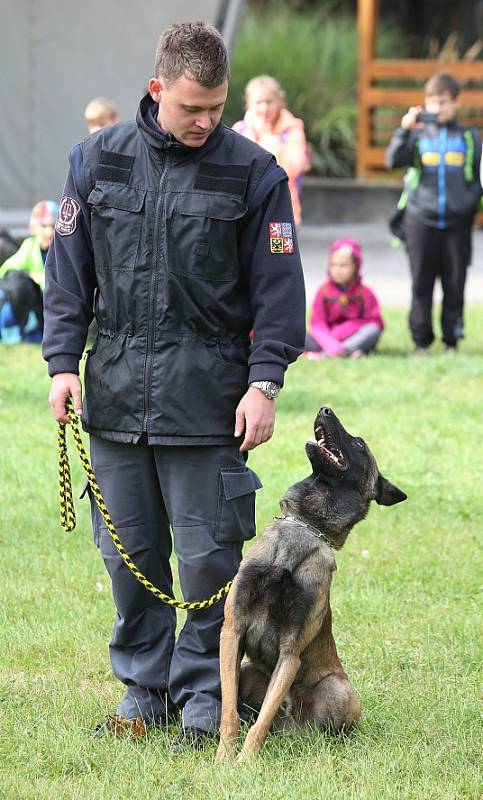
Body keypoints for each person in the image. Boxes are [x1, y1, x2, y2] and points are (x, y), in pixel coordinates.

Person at [43, 22, 305, 750]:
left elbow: (280, 292)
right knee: (128, 558)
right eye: (193, 107)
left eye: (217, 108)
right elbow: (66, 277)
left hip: (210, 402)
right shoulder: (94, 163)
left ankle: (203, 699)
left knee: (210, 563)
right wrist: (63, 364)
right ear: (157, 88)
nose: (206, 121)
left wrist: (264, 383)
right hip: (116, 399)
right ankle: (142, 690)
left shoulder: (253, 174)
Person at [385, 71, 482, 354]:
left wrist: (467, 205)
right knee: (420, 283)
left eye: (442, 102)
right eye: (431, 101)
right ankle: (421, 342)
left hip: (457, 224)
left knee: (455, 283)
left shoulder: (469, 136)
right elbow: (392, 160)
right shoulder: (416, 135)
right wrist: (404, 129)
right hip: (420, 220)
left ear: (456, 103)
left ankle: (452, 340)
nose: (437, 108)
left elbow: (479, 178)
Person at [233, 75, 310, 226]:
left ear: (280, 101)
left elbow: (294, 168)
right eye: (259, 102)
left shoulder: (292, 130)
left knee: (281, 249)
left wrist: (268, 139)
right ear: (248, 103)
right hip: (244, 214)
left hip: (283, 212)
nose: (264, 108)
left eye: (269, 102)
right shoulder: (239, 130)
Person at [305, 238, 383, 359]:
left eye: (344, 265)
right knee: (299, 334)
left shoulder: (365, 292)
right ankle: (343, 353)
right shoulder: (324, 291)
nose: (337, 270)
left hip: (353, 337)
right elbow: (317, 323)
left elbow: (374, 322)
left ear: (356, 266)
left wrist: (346, 330)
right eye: (333, 265)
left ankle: (331, 354)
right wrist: (330, 342)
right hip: (327, 339)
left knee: (373, 330)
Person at [0, 200, 59, 290]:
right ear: (32, 228)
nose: (49, 232)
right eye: (44, 226)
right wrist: (25, 277)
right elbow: (7, 270)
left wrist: (36, 278)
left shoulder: (63, 251)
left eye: (54, 226)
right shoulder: (30, 246)